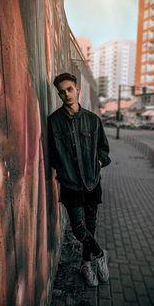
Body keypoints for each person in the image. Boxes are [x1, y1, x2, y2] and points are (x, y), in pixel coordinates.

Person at [47, 72, 111, 287]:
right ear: (59, 94)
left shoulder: (93, 120)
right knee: (78, 228)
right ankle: (100, 254)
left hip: (92, 182)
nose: (66, 94)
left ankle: (86, 263)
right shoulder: (53, 121)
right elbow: (51, 154)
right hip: (70, 184)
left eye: (70, 89)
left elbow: (103, 149)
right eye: (62, 91)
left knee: (90, 226)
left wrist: (99, 163)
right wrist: (61, 170)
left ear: (78, 90)